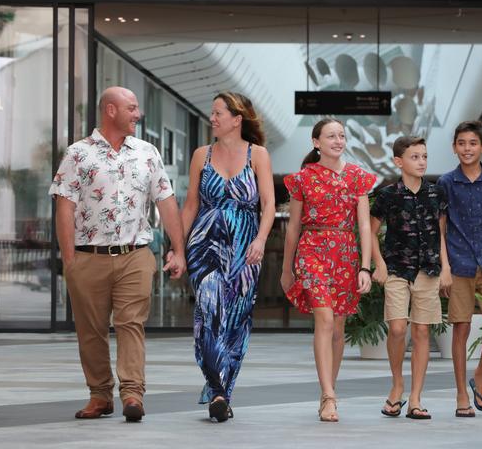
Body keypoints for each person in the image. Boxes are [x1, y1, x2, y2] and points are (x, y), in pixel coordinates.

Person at [50, 86, 186, 422]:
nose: (137, 114)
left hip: (135, 254)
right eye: (132, 108)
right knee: (91, 330)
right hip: (88, 256)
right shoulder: (77, 154)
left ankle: (132, 394)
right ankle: (100, 396)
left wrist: (178, 249)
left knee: (131, 324)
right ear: (110, 110)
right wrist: (70, 261)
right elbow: (64, 208)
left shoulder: (147, 152)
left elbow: (167, 203)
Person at [178, 92, 275, 422]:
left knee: (236, 321)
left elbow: (269, 205)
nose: (213, 118)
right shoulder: (201, 155)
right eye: (213, 113)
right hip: (205, 243)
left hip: (246, 246)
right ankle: (216, 387)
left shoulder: (257, 154)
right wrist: (178, 247)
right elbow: (191, 204)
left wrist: (261, 240)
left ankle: (223, 393)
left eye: (219, 113)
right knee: (207, 313)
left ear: (237, 119)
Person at [280, 117, 376, 422]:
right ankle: (328, 396)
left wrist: (365, 267)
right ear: (316, 142)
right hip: (312, 251)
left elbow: (364, 225)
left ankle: (329, 389)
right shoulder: (302, 178)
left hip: (346, 254)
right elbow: (293, 226)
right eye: (331, 136)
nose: (337, 140)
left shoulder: (358, 177)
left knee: (337, 328)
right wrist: (286, 269)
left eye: (341, 136)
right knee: (323, 319)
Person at [437, 120, 482, 418]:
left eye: (472, 143)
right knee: (461, 328)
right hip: (459, 264)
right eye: (461, 143)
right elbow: (441, 228)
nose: (467, 148)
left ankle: (480, 374)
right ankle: (460, 393)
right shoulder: (446, 183)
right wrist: (444, 266)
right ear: (454, 147)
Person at [370, 136, 448, 420]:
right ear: (399, 161)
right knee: (398, 329)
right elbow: (370, 230)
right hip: (395, 269)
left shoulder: (437, 194)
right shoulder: (388, 195)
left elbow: (441, 234)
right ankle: (397, 385)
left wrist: (446, 268)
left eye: (424, 156)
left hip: (428, 269)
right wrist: (377, 263)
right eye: (415, 157)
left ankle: (415, 397)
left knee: (422, 331)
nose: (422, 161)